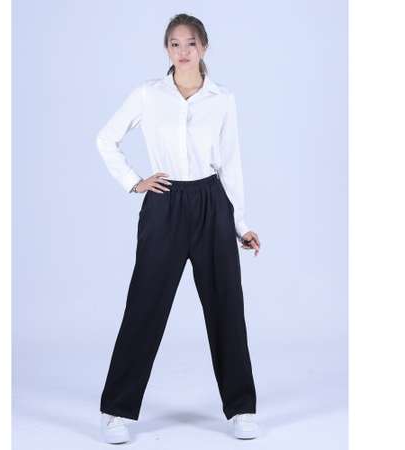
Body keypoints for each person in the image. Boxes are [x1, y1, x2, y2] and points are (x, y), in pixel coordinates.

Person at [96, 13, 262, 444]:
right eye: (175, 44)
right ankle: (117, 412)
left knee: (226, 306)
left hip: (211, 202)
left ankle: (242, 408)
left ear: (204, 47)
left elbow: (231, 162)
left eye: (190, 43)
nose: (183, 51)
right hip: (165, 203)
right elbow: (106, 138)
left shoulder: (222, 99)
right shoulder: (148, 94)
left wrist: (240, 225)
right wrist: (135, 181)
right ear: (166, 49)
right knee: (144, 306)